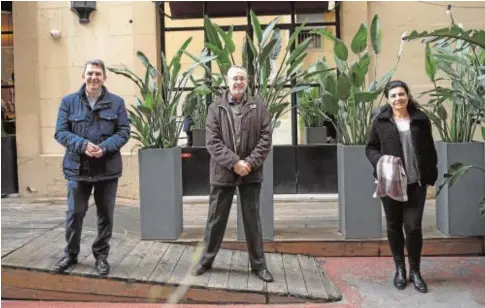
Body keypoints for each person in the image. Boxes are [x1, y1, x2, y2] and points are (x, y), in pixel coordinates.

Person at [192, 65, 274, 282]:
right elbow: (212, 142)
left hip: (251, 172)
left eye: (242, 78)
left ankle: (259, 266)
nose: (238, 82)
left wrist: (249, 162)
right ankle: (205, 261)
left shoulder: (259, 106)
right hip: (223, 172)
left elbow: (266, 137)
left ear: (246, 82)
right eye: (234, 78)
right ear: (227, 82)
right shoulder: (215, 108)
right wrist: (235, 162)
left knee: (252, 220)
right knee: (215, 220)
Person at [53, 59, 130, 275]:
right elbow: (60, 132)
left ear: (104, 77)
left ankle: (101, 257)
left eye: (98, 74)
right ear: (83, 77)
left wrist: (103, 148)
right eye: (90, 73)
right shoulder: (68, 102)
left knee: (105, 215)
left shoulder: (117, 102)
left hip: (107, 169)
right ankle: (71, 255)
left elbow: (124, 131)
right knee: (74, 213)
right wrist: (83, 145)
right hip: (78, 169)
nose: (93, 77)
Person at [365, 80, 438, 293]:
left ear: (408, 95)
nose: (398, 98)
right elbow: (370, 148)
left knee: (413, 227)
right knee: (394, 225)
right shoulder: (381, 121)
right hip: (390, 181)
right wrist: (381, 161)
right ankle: (400, 269)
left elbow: (430, 149)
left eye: (401, 94)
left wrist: (430, 173)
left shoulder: (421, 120)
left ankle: (415, 271)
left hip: (416, 182)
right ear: (388, 99)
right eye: (394, 95)